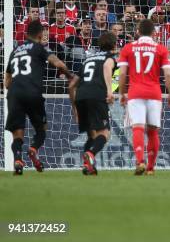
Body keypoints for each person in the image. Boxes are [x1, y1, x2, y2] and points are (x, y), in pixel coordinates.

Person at [4, 20, 72, 175]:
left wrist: (16, 87)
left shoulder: (15, 51)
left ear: (27, 34)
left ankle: (18, 159)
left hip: (14, 93)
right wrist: (70, 76)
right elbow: (59, 64)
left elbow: (7, 81)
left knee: (17, 132)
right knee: (41, 129)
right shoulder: (39, 48)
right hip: (32, 92)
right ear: (41, 34)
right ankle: (33, 149)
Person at [118, 19, 170, 175]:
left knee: (138, 127)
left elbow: (122, 73)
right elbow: (168, 74)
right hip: (154, 93)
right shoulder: (161, 49)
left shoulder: (128, 48)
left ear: (137, 32)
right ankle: (150, 168)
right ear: (154, 33)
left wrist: (121, 93)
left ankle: (140, 161)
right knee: (152, 131)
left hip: (135, 92)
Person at [68, 32, 117, 175]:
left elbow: (71, 86)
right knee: (105, 133)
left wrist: (74, 108)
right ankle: (90, 154)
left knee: (91, 134)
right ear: (114, 45)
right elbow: (107, 67)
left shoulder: (87, 59)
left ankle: (88, 166)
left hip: (81, 96)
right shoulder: (110, 58)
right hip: (97, 95)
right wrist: (109, 91)